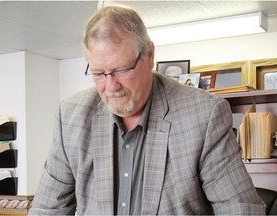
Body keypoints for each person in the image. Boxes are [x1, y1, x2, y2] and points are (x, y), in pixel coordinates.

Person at [29, 4, 265, 215]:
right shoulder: (72, 117)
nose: (111, 86)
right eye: (99, 73)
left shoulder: (204, 114)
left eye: (121, 70)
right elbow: (47, 209)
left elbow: (241, 209)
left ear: (150, 55)